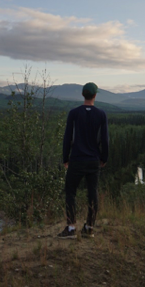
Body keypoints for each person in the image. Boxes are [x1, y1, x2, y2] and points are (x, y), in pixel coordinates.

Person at [57, 82, 109, 239]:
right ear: (95, 95)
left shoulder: (74, 113)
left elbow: (67, 138)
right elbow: (105, 140)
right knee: (92, 192)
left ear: (82, 95)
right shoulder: (101, 114)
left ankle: (71, 227)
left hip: (77, 159)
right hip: (93, 160)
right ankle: (89, 227)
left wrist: (65, 158)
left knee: (70, 192)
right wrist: (104, 158)